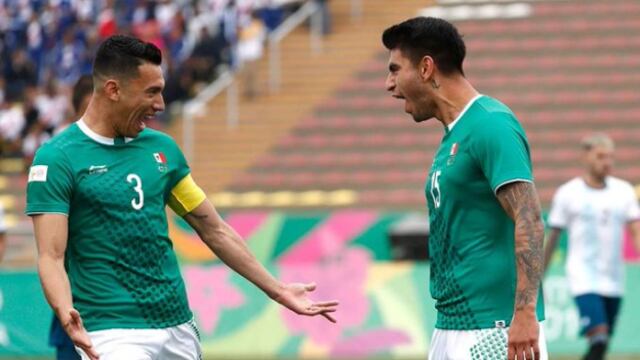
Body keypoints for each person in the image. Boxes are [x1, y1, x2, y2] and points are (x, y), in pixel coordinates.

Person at [26, 35, 338, 360]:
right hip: (111, 331)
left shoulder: (162, 151)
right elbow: (50, 256)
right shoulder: (57, 159)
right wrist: (65, 311)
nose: (160, 104)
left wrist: (278, 289)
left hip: (176, 325)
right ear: (113, 90)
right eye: (152, 92)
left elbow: (213, 228)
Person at [382, 17, 546, 360]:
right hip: (452, 325)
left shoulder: (490, 123)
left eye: (395, 69)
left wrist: (525, 314)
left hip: (494, 329)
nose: (389, 83)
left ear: (426, 67)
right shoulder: (453, 137)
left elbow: (528, 217)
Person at [544, 133, 640, 360]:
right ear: (585, 157)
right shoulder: (569, 193)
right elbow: (553, 238)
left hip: (614, 279)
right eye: (600, 156)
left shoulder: (623, 191)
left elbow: (636, 230)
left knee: (603, 345)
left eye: (610, 157)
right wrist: (540, 276)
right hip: (583, 278)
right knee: (598, 339)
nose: (607, 162)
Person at [48, 74, 94, 360]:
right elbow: (51, 252)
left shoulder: (132, 158)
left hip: (126, 309)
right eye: (90, 110)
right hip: (76, 307)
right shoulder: (57, 159)